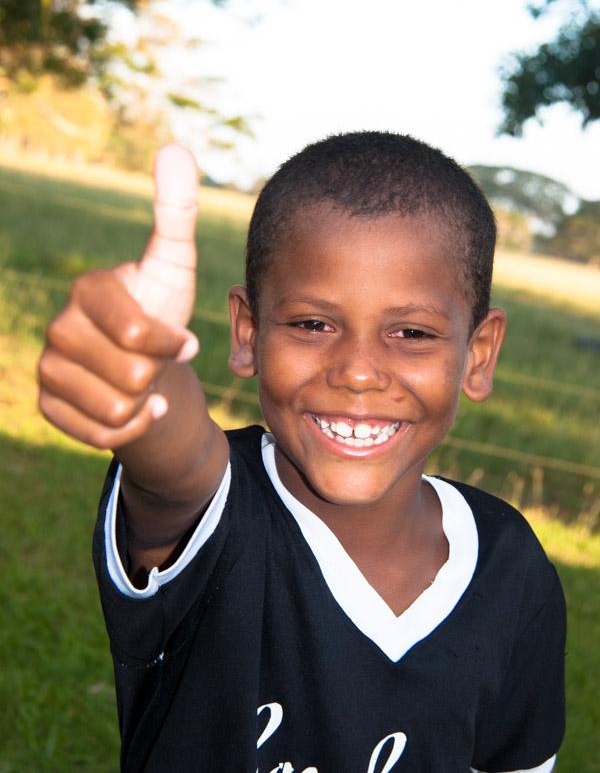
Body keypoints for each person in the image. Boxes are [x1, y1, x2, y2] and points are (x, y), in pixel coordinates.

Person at [38, 132, 566, 773]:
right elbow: (171, 464)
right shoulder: (215, 512)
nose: (359, 372)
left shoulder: (511, 565)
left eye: (412, 333)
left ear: (478, 355)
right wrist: (141, 377)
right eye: (313, 324)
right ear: (248, 331)